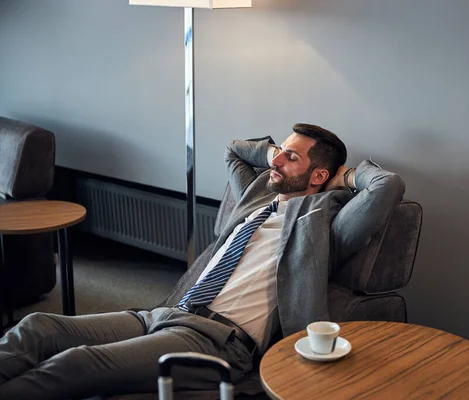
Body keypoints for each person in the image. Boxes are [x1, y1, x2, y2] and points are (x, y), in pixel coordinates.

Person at [0, 123, 404, 399]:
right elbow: (235, 150)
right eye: (279, 152)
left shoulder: (325, 223)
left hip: (216, 340)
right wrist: (278, 153)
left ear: (318, 176)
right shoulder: (259, 196)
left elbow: (388, 185)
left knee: (77, 364)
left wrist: (343, 178)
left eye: (290, 158)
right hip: (162, 314)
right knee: (38, 327)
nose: (276, 162)